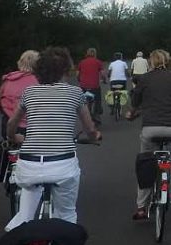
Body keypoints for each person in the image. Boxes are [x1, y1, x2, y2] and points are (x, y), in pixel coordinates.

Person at [5, 47, 101, 232]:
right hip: (62, 166)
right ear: (67, 70)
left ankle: (21, 235)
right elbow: (89, 128)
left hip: (29, 165)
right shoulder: (75, 93)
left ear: (39, 70)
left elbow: (11, 124)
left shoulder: (29, 93)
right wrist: (94, 136)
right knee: (66, 214)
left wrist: (14, 137)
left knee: (25, 212)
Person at [129, 49, 171, 220]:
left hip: (151, 129)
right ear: (167, 61)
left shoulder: (144, 79)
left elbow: (135, 101)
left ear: (151, 62)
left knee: (146, 163)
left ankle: (141, 207)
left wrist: (131, 113)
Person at [0, 50, 39, 141]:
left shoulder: (9, 79)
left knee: (7, 147)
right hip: (31, 128)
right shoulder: (39, 81)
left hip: (8, 125)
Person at [77, 48, 106, 126]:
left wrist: (79, 80)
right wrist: (104, 80)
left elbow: (77, 74)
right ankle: (97, 114)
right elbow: (103, 74)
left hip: (84, 86)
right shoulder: (98, 62)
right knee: (98, 100)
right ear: (95, 54)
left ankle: (85, 116)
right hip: (94, 86)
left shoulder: (81, 62)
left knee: (84, 102)